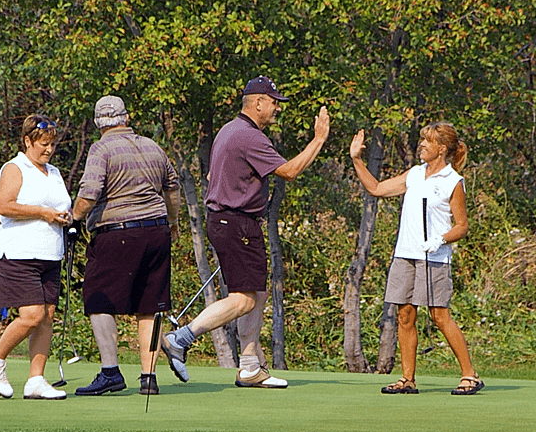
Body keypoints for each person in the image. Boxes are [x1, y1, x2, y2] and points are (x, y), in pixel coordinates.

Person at [160, 76, 329, 388]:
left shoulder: (230, 129)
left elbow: (214, 174)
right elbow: (289, 172)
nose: (277, 108)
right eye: (274, 102)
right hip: (235, 222)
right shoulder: (249, 136)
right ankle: (180, 339)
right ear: (258, 102)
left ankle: (250, 366)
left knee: (257, 293)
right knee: (244, 300)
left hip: (230, 221)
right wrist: (318, 139)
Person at [348, 123, 484, 395]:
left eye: (427, 142)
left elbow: (462, 225)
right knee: (405, 316)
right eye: (422, 141)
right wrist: (356, 159)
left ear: (441, 149)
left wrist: (440, 239)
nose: (421, 145)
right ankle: (407, 379)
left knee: (439, 316)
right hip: (405, 255)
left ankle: (470, 374)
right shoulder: (414, 174)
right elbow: (375, 188)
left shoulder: (452, 181)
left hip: (433, 257)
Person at [69, 95, 183, 396]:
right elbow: (173, 187)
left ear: (98, 123)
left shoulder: (100, 148)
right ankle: (149, 377)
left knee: (98, 298)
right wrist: (172, 221)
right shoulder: (152, 146)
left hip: (117, 232)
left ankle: (110, 372)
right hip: (157, 231)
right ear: (126, 118)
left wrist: (74, 219)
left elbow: (90, 192)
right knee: (150, 305)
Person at [0, 115, 73, 400]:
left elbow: (59, 205)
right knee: (32, 316)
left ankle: (36, 380)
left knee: (47, 318)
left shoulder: (53, 172)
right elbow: (4, 205)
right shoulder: (14, 167)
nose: (48, 150)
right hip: (18, 253)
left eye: (52, 145)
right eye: (43, 144)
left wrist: (63, 217)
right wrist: (43, 213)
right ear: (27, 141)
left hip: (50, 253)